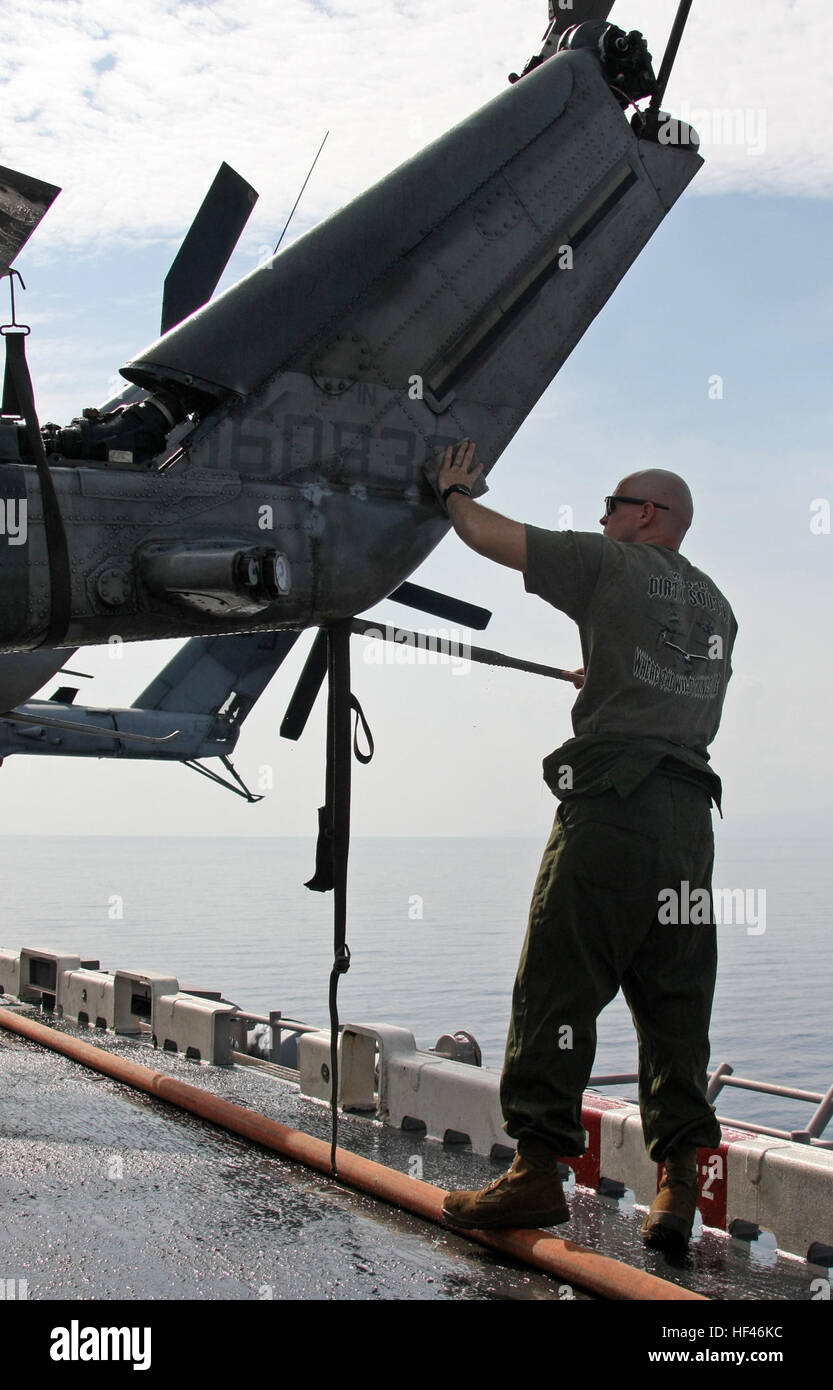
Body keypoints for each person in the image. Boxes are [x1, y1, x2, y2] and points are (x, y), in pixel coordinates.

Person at [433, 439, 738, 1251]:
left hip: (612, 812)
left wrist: (455, 494)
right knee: (675, 1003)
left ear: (647, 515)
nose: (601, 516)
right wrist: (598, 671)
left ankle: (535, 1171)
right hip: (687, 828)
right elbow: (660, 674)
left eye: (612, 503)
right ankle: (677, 1185)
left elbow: (494, 539)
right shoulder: (716, 606)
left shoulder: (609, 562)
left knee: (557, 985)